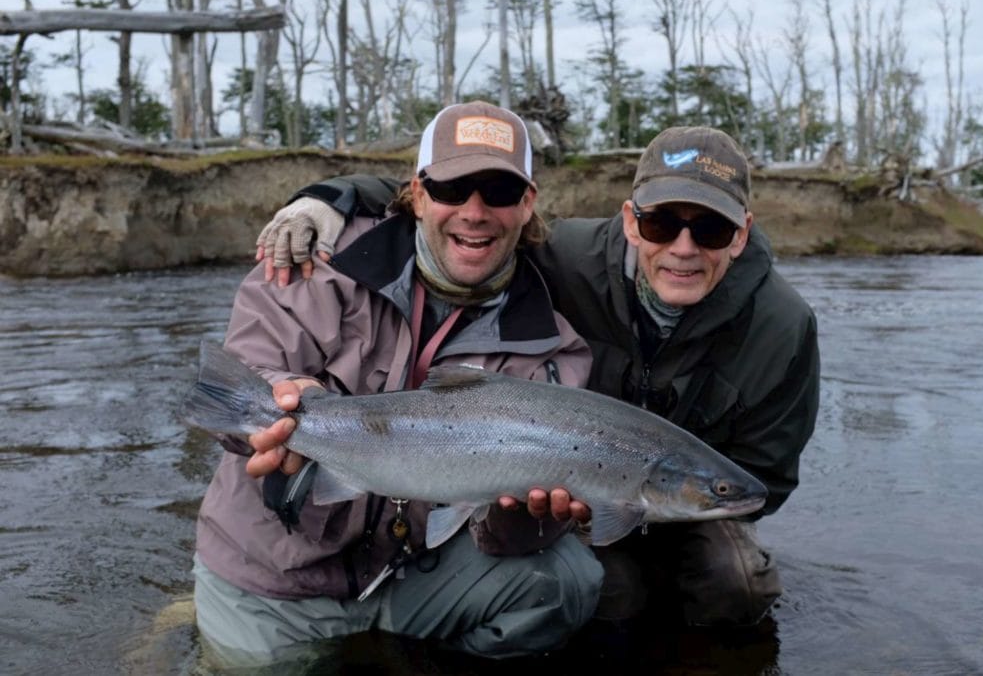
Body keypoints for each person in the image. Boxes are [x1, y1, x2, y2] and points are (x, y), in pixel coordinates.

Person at [255, 125, 820, 632]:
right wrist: (325, 200)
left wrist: (670, 515)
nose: (683, 247)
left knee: (735, 587)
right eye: (662, 222)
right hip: (563, 481)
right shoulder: (566, 255)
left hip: (686, 495)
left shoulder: (783, 327)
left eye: (712, 231)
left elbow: (763, 478)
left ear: (742, 234)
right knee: (603, 591)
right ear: (630, 221)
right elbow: (464, 206)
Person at [193, 100, 603, 667]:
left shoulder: (553, 345)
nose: (475, 212)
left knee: (567, 581)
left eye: (500, 192)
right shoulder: (320, 258)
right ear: (418, 193)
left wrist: (529, 519)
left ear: (528, 203)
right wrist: (283, 395)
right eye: (453, 189)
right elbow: (246, 369)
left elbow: (501, 538)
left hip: (412, 573)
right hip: (275, 573)